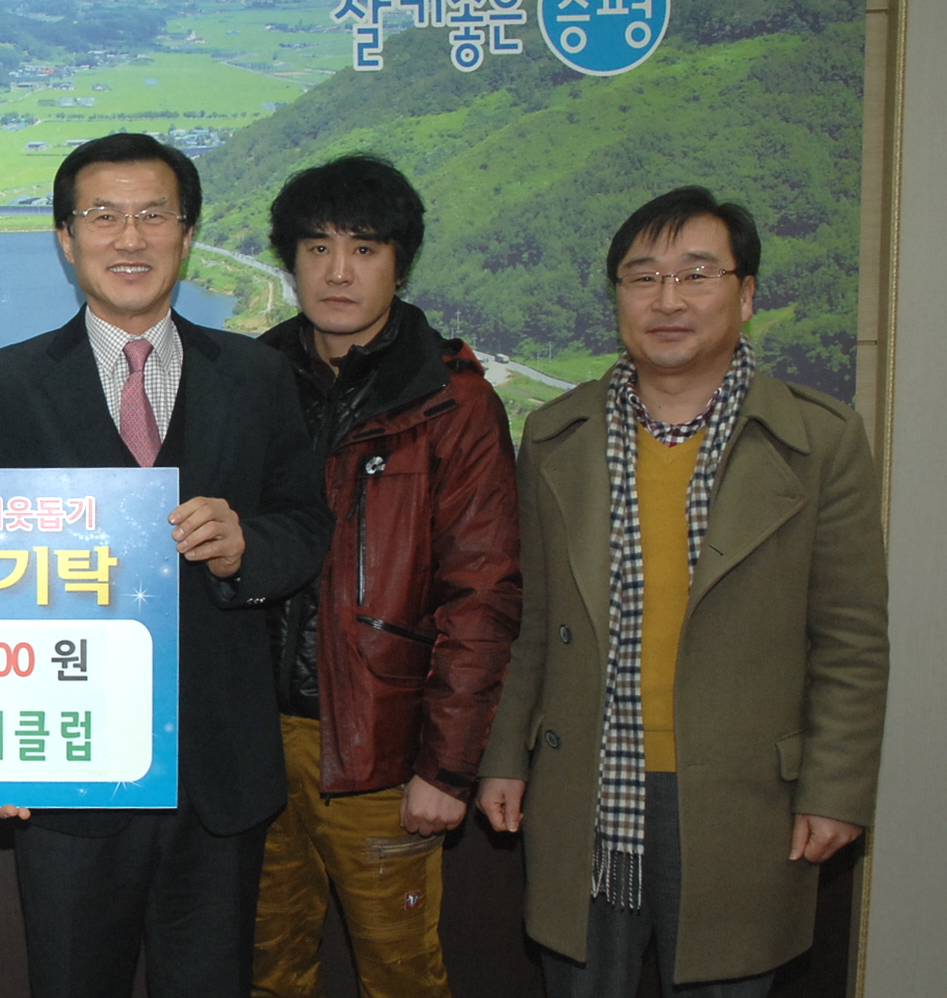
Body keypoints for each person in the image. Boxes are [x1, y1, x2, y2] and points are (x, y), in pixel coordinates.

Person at [476, 188, 890, 996]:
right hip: (585, 787)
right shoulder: (556, 435)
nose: (667, 300)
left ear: (745, 294)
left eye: (696, 274)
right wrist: (501, 758)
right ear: (617, 298)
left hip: (744, 798)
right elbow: (531, 622)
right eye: (643, 277)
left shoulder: (819, 440)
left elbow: (849, 638)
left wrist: (836, 789)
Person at [0, 132, 331, 998]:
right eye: (103, 216)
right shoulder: (6, 382)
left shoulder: (256, 374)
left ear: (186, 234)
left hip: (217, 770)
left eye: (153, 215)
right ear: (65, 238)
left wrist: (246, 548)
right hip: (66, 772)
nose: (129, 238)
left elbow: (306, 523)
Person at [248, 155, 521, 998]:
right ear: (289, 261)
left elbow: (481, 594)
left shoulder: (450, 400)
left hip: (381, 748)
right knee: (263, 972)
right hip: (253, 744)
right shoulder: (247, 379)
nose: (338, 271)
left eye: (363, 249)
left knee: (401, 977)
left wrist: (446, 766)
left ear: (399, 264)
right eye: (316, 247)